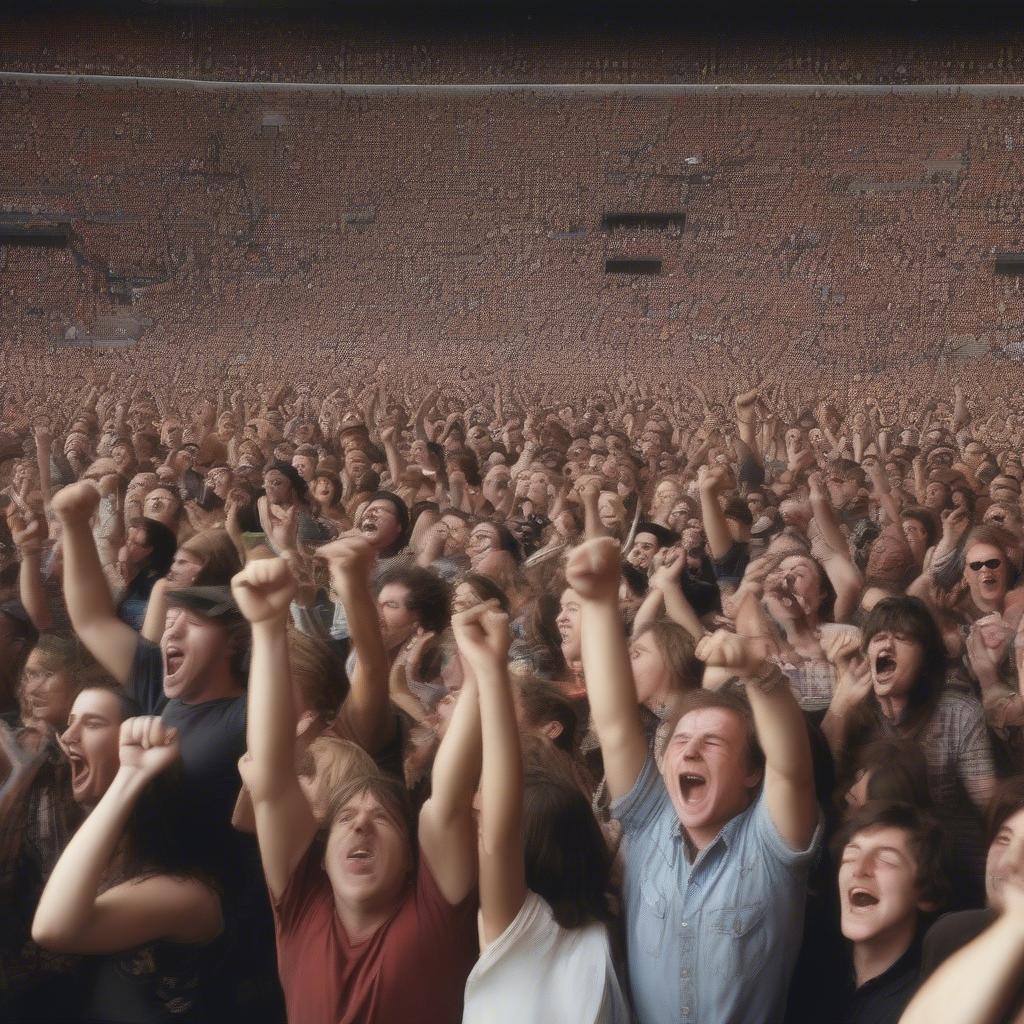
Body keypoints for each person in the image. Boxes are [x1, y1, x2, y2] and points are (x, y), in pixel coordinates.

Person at [571, 536, 820, 1024]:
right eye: (681, 740)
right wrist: (598, 601)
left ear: (752, 774)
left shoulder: (770, 847)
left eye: (713, 743)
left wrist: (758, 675)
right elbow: (616, 720)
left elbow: (792, 767)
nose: (689, 749)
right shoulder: (647, 823)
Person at [233, 552, 479, 1024]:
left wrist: (481, 675)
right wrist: (266, 628)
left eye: (382, 818)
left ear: (413, 859)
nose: (361, 824)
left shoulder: (434, 917)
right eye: (344, 818)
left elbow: (446, 801)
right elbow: (270, 777)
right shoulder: (301, 909)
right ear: (319, 856)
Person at [456, 602, 628, 1024]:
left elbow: (499, 831)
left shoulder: (518, 924)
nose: (476, 809)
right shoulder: (609, 924)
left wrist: (490, 670)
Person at [32, 710, 224, 1023]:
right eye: (69, 722)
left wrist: (132, 772)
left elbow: (52, 930)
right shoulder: (83, 850)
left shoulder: (187, 893)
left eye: (93, 723)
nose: (67, 737)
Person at [830, 800, 947, 1024]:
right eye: (850, 856)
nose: (859, 869)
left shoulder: (929, 1001)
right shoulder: (808, 964)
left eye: (885, 859)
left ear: (926, 894)